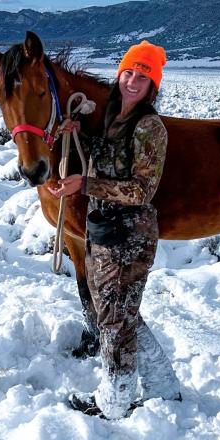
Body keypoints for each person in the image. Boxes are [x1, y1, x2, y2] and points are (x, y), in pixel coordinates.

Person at [48, 41, 181, 419]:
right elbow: (109, 159)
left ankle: (115, 400)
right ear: (119, 74)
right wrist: (78, 133)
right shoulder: (111, 119)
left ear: (153, 85)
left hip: (130, 235)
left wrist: (84, 185)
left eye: (144, 76)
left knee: (114, 319)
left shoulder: (149, 128)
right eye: (129, 72)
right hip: (105, 231)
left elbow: (142, 189)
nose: (134, 80)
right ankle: (163, 387)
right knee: (124, 315)